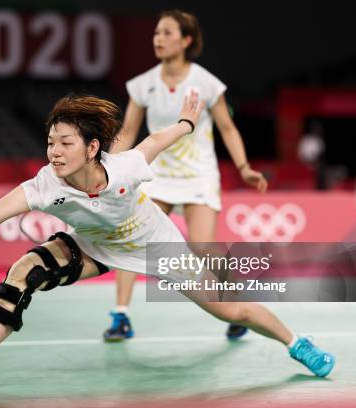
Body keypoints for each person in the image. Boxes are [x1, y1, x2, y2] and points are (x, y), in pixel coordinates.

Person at [0, 93, 334, 395]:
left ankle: (298, 343)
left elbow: (157, 139)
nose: (54, 152)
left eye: (65, 143)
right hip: (93, 248)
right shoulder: (47, 185)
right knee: (25, 271)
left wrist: (184, 122)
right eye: (50, 143)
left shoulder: (124, 169)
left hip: (157, 245)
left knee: (230, 309)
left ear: (92, 146)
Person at [104, 10, 268, 342]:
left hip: (199, 176)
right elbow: (128, 130)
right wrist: (108, 163)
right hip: (157, 176)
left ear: (186, 40)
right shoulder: (144, 84)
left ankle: (236, 308)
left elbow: (227, 128)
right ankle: (121, 316)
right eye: (156, 33)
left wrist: (243, 167)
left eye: (166, 33)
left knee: (204, 249)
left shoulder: (205, 83)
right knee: (131, 239)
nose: (158, 39)